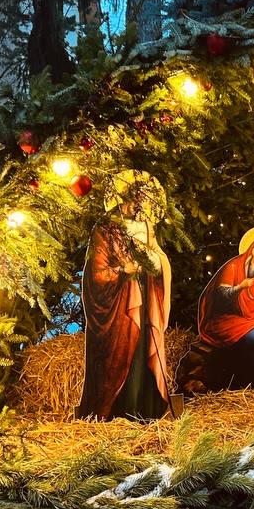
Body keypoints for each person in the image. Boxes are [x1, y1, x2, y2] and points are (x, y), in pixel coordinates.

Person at [76, 170, 172, 421]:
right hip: (119, 308)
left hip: (144, 299)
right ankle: (118, 412)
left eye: (138, 203)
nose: (134, 207)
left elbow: (159, 259)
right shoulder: (104, 228)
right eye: (130, 201)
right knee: (120, 354)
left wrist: (152, 260)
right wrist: (121, 270)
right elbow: (96, 273)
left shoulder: (145, 226)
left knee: (142, 351)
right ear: (120, 199)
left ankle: (144, 410)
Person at [196, 226, 254, 388]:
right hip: (222, 320)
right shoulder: (233, 266)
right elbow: (220, 296)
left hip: (243, 319)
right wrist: (240, 287)